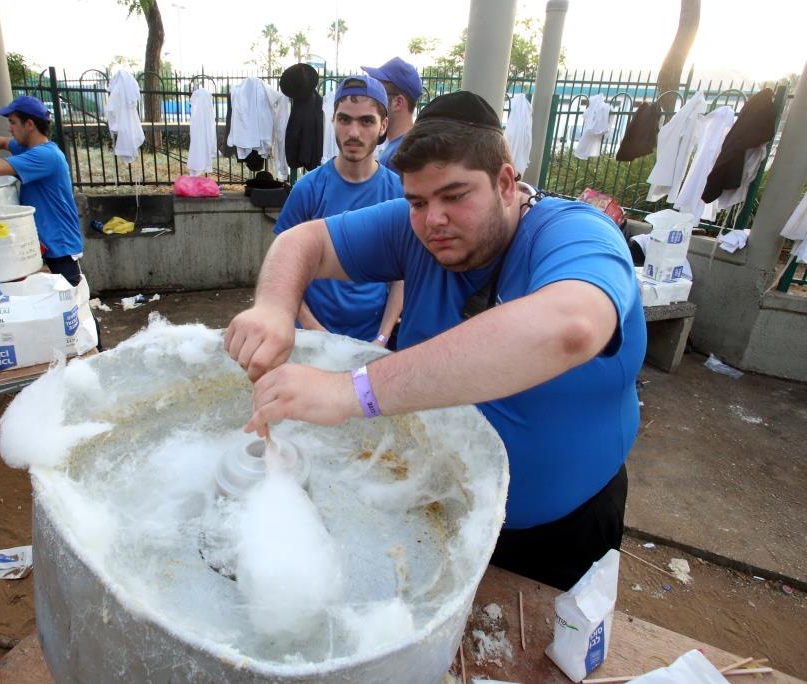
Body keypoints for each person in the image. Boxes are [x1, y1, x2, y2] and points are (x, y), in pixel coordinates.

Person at [225, 91, 647, 591]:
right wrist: (273, 308)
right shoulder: (415, 227)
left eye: (455, 195)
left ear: (506, 183)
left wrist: (348, 391)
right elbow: (302, 241)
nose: (434, 220)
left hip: (558, 533)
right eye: (418, 201)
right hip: (441, 515)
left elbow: (571, 325)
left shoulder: (575, 232)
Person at [275, 74, 404, 346]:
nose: (354, 133)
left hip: (372, 342)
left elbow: (400, 277)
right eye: (345, 119)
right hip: (311, 341)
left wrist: (381, 337)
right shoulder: (308, 190)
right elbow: (283, 270)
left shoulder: (398, 193)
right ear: (333, 120)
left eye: (366, 121)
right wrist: (313, 330)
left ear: (384, 126)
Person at [0, 96, 84, 288]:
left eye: (13, 122)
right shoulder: (28, 148)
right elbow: (2, 142)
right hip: (43, 239)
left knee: (74, 301)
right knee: (52, 301)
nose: (9, 128)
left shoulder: (45, 155)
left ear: (29, 124)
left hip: (59, 242)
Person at [361, 57, 423, 169]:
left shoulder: (399, 154)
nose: (371, 99)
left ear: (398, 102)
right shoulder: (407, 146)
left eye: (379, 94)